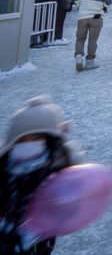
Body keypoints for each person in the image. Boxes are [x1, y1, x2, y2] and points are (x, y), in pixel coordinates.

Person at [0, 96, 86, 254]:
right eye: (22, 139)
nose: (29, 143)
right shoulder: (6, 168)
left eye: (38, 137)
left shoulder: (53, 171)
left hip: (38, 246)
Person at [73, 0, 112, 72]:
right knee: (92, 39)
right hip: (96, 17)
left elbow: (76, 1)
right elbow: (108, 3)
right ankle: (90, 61)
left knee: (80, 38)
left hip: (82, 17)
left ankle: (78, 57)